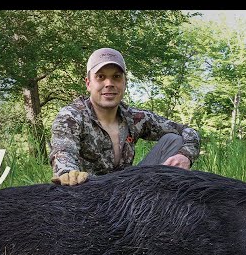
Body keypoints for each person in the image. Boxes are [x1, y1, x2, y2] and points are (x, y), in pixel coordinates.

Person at [49, 48, 201, 185]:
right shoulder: (71, 117)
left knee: (174, 140)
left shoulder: (135, 118)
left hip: (127, 192)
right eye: (101, 77)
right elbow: (63, 152)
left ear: (124, 82)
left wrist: (186, 155)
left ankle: (161, 201)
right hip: (89, 192)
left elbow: (187, 131)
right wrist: (68, 173)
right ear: (88, 83)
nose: (109, 83)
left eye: (116, 77)